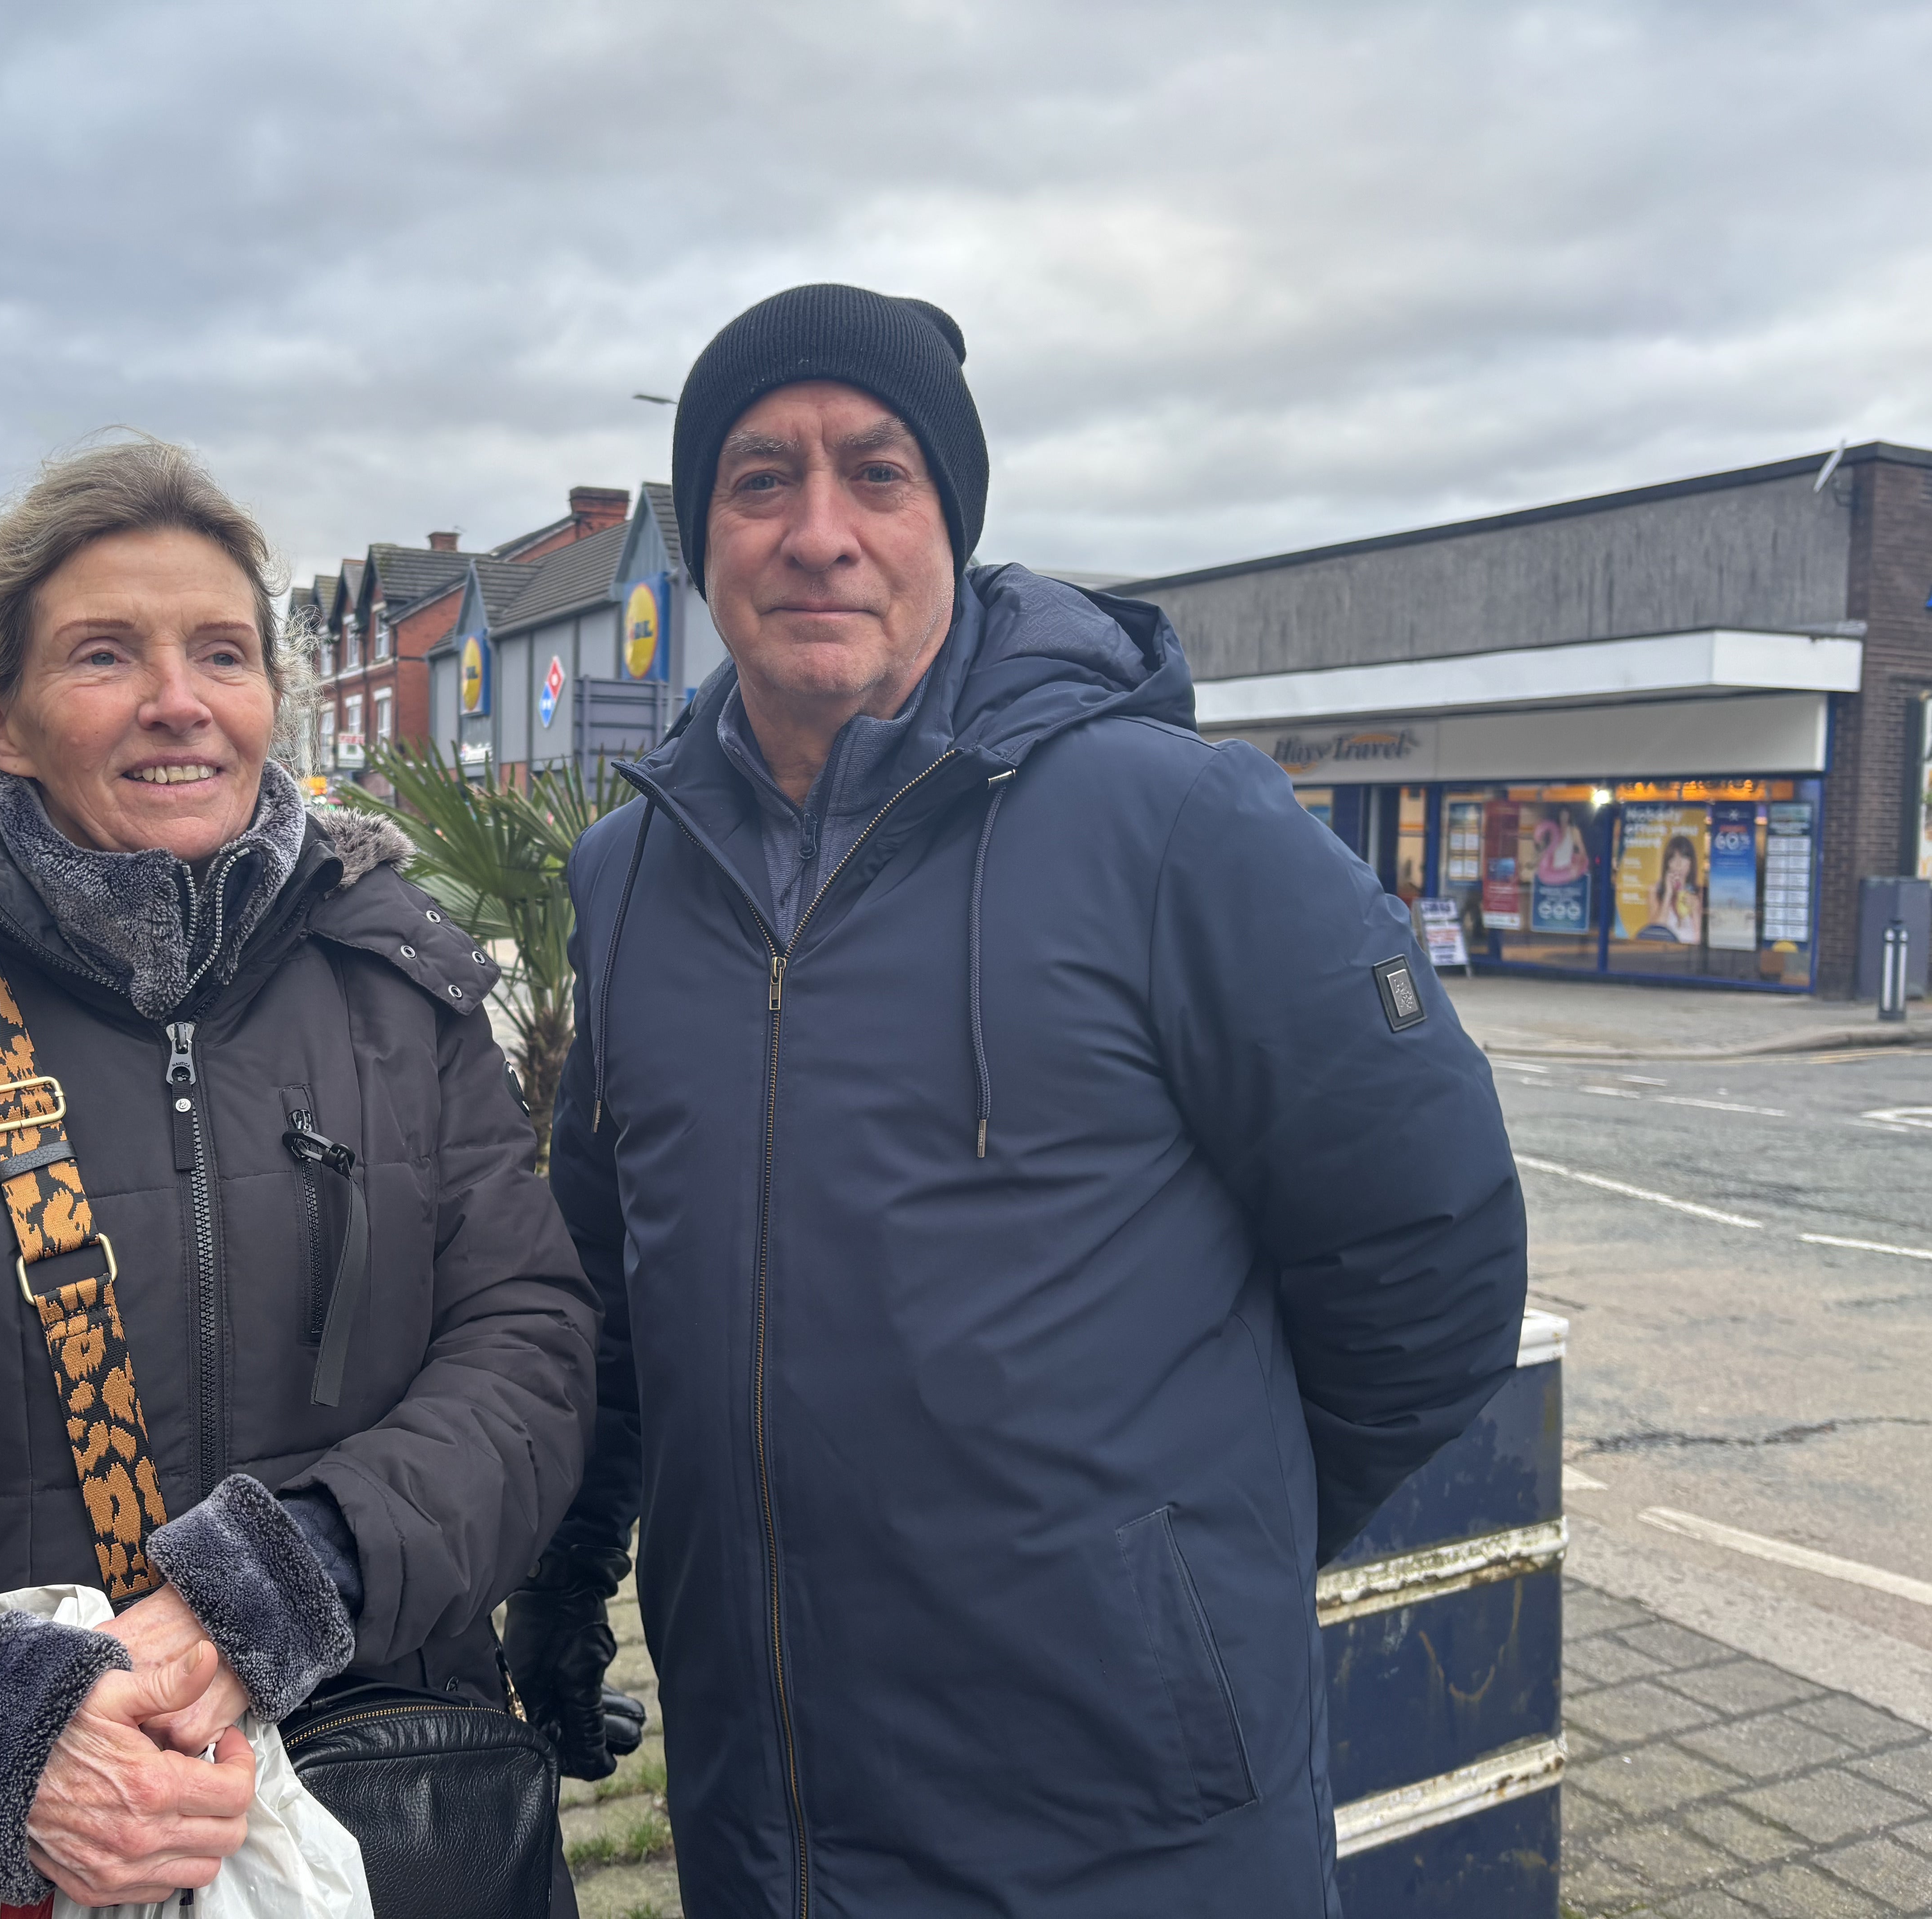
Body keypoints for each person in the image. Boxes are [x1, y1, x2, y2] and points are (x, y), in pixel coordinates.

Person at [507, 286, 1528, 1914]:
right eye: (760, 479)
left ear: (953, 521)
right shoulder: (628, 875)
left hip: (1127, 1822)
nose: (817, 531)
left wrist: (1177, 1575)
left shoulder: (1179, 826)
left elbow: (1435, 1255)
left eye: (877, 473)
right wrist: (566, 1565)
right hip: (765, 1802)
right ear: (702, 539)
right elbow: (610, 1281)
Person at [0, 440, 596, 1913]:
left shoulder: (400, 993)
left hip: (381, 1803)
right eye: (104, 653)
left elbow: (527, 1351)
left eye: (222, 651)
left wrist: (303, 1566)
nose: (179, 700)